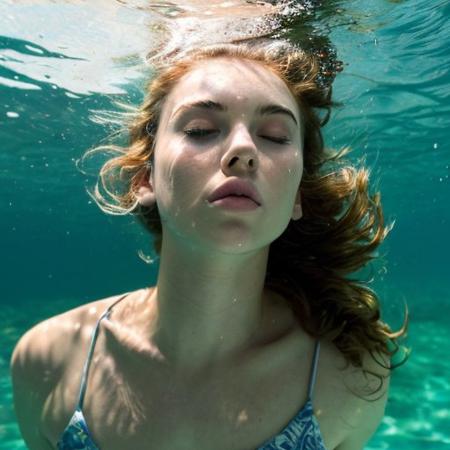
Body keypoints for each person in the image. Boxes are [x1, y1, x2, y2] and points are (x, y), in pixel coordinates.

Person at [10, 39, 409, 450]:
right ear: (144, 179)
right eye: (200, 130)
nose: (243, 151)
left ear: (297, 197)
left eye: (274, 136)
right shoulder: (47, 359)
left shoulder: (348, 377)